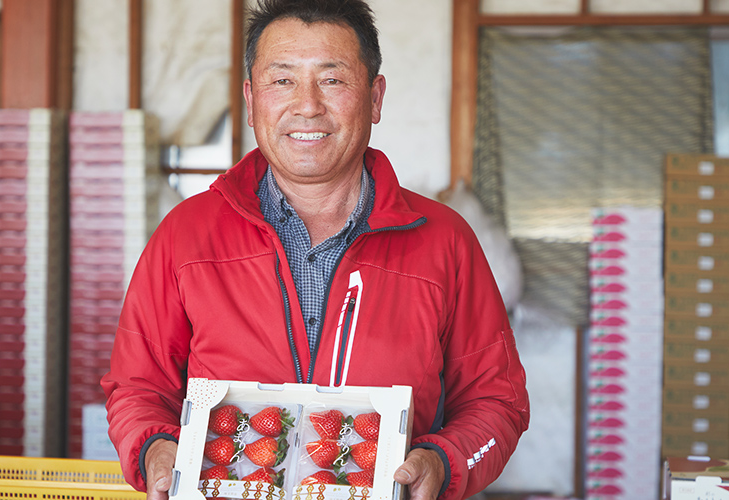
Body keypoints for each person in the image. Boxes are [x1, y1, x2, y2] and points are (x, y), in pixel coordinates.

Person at [101, 1, 530, 498]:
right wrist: (156, 449)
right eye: (282, 80)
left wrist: (443, 461)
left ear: (374, 98)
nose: (307, 105)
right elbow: (137, 387)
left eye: (332, 80)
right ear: (251, 97)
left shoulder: (443, 240)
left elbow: (497, 401)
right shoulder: (186, 235)